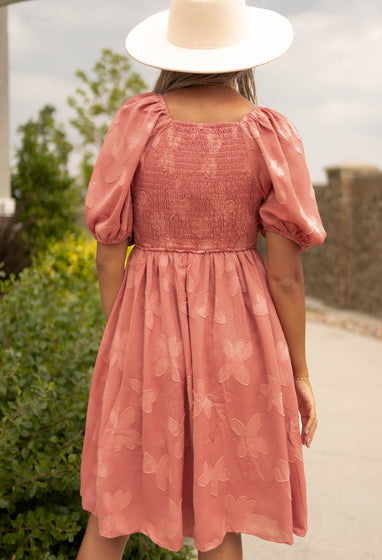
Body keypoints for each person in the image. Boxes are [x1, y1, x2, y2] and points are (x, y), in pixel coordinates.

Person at [77, 1, 327, 559]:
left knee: (110, 517)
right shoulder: (271, 135)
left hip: (145, 333)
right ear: (245, 54)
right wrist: (300, 371)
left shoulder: (138, 122)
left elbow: (107, 257)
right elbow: (285, 278)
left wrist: (125, 337)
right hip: (240, 336)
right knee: (221, 522)